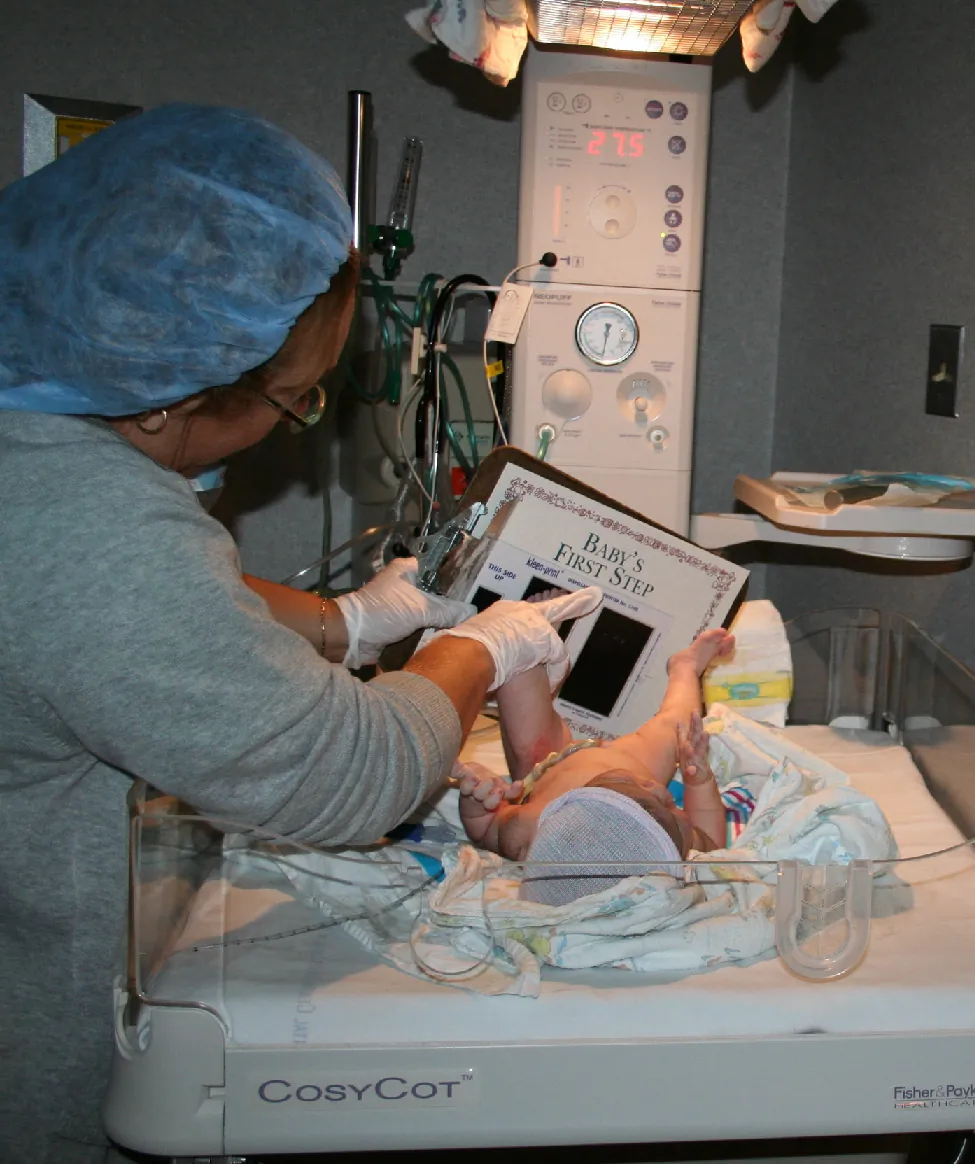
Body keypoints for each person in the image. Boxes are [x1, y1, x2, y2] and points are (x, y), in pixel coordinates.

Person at [0, 103, 600, 1163]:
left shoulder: (35, 449)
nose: (297, 421)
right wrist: (481, 648)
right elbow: (353, 774)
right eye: (295, 397)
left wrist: (351, 621)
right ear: (166, 400)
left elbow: (137, 612)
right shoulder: (85, 522)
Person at [454, 628, 736, 902]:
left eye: (633, 792)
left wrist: (479, 799)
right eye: (672, 809)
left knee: (519, 668)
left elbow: (485, 828)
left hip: (544, 764)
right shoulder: (677, 844)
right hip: (632, 756)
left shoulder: (534, 825)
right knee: (676, 726)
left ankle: (529, 633)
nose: (663, 792)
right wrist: (699, 781)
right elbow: (711, 843)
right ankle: (685, 668)